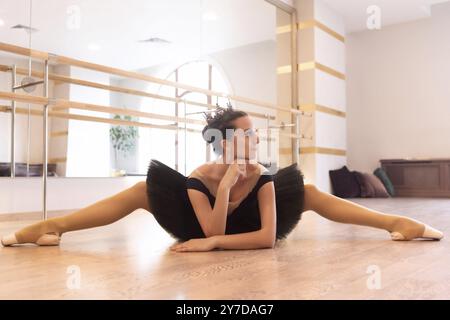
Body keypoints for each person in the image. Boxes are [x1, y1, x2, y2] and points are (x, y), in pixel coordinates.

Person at [1, 106, 443, 251]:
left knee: (305, 191)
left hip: (242, 226)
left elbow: (267, 239)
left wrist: (212, 244)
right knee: (141, 190)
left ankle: (396, 223)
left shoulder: (265, 174)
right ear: (226, 142)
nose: (257, 139)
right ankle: (51, 225)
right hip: (199, 220)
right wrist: (227, 186)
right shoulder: (199, 176)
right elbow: (208, 228)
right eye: (249, 134)